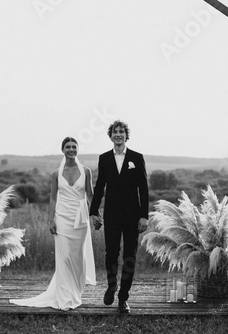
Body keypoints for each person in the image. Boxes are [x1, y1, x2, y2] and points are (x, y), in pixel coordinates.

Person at [9, 137, 96, 310]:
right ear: (63, 150)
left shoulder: (86, 171)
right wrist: (51, 219)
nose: (71, 149)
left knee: (78, 258)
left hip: (80, 219)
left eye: (73, 146)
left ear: (77, 149)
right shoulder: (56, 173)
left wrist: (96, 214)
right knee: (63, 258)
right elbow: (53, 197)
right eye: (67, 147)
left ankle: (75, 291)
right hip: (62, 217)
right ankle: (64, 297)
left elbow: (91, 195)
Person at [89, 120, 149, 315]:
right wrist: (93, 211)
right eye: (115, 132)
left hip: (133, 216)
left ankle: (123, 298)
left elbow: (144, 189)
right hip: (112, 214)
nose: (118, 135)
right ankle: (111, 286)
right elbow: (99, 187)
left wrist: (144, 216)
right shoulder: (104, 158)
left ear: (126, 135)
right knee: (111, 254)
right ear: (111, 135)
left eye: (121, 132)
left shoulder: (137, 158)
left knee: (130, 256)